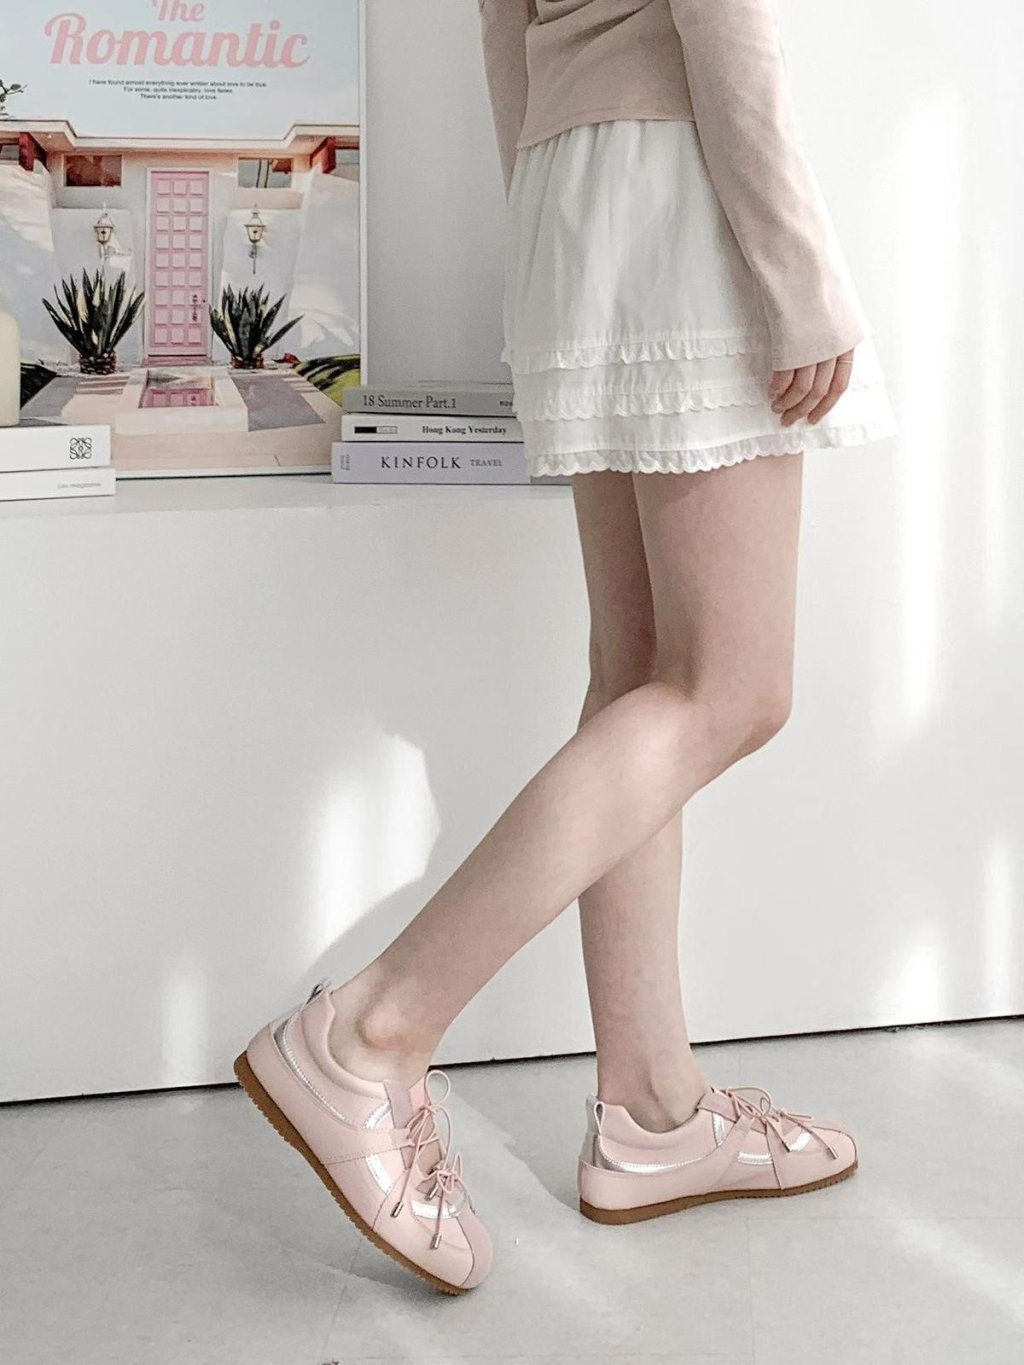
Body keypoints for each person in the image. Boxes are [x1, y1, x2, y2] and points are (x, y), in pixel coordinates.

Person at [235, 0, 899, 1295]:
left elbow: (503, 24)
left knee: (641, 674)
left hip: (571, 185)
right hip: (685, 175)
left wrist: (550, 216)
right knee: (731, 687)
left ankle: (653, 1111)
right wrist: (799, 267)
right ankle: (369, 1033)